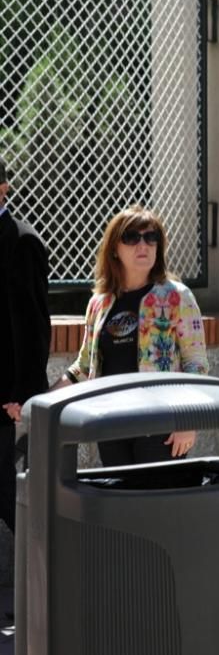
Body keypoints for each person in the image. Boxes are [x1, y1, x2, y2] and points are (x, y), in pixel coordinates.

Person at [52, 205, 208, 465]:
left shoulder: (177, 296)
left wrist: (187, 421)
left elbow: (196, 364)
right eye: (132, 238)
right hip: (111, 422)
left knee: (157, 503)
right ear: (115, 248)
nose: (143, 245)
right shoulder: (100, 303)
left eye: (151, 237)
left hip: (161, 423)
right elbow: (83, 367)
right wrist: (40, 400)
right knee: (119, 502)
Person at [0, 157, 50, 534]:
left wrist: (25, 393)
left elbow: (33, 326)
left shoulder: (21, 241)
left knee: (8, 490)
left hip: (8, 398)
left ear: (4, 188)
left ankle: (45, 574)